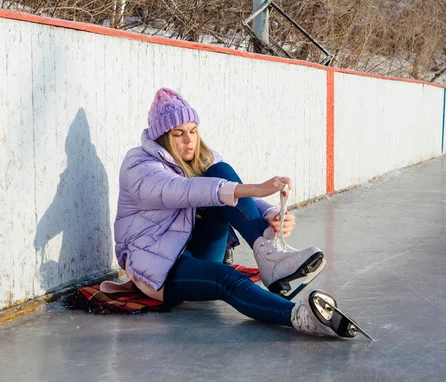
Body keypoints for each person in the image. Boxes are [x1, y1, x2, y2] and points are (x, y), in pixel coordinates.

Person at [110, 88, 356, 338]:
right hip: (158, 266)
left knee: (221, 170)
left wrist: (270, 214)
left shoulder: (201, 158)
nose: (189, 140)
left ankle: (268, 254)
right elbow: (185, 190)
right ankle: (299, 316)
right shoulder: (139, 165)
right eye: (179, 133)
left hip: (195, 248)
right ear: (163, 137)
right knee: (225, 278)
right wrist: (258, 188)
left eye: (193, 131)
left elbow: (230, 193)